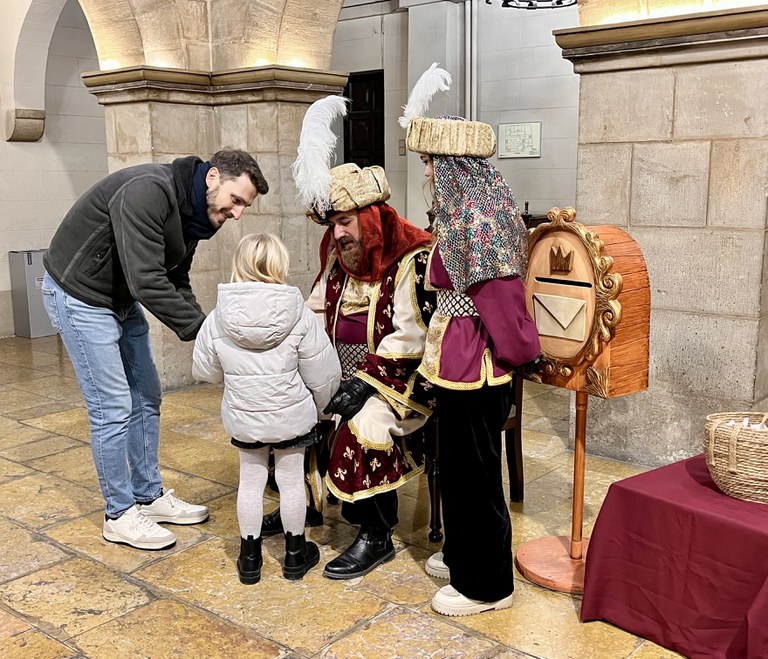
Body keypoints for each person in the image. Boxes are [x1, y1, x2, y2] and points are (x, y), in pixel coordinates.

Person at [41, 148, 269, 551]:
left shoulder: (196, 214)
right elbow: (147, 279)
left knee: (147, 395)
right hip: (79, 295)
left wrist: (208, 332)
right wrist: (206, 333)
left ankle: (148, 495)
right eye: (236, 200)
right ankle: (119, 514)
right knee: (113, 406)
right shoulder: (147, 191)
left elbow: (175, 278)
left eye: (244, 207)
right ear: (213, 177)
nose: (237, 214)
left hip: (119, 297)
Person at [400, 65, 541, 616]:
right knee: (459, 467)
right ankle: (462, 552)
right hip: (456, 361)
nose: (426, 171)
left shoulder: (476, 223)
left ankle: (486, 585)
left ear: (454, 166)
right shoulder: (461, 217)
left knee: (477, 474)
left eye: (431, 162)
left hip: (477, 368)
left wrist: (518, 355)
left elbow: (503, 303)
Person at [289, 96, 436, 579]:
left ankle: (377, 533)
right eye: (332, 225)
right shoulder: (339, 259)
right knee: (282, 410)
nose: (337, 235)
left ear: (371, 218)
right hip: (340, 373)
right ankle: (301, 506)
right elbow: (313, 312)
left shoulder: (410, 259)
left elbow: (410, 337)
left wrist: (365, 381)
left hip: (399, 380)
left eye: (345, 223)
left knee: (363, 423)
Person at [192, 233, 341, 583]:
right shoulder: (300, 314)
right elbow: (323, 374)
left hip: (244, 416)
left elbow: (205, 371)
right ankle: (295, 556)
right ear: (280, 265)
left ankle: (249, 560)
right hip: (291, 416)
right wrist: (324, 409)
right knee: (291, 483)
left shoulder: (218, 317)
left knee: (250, 482)